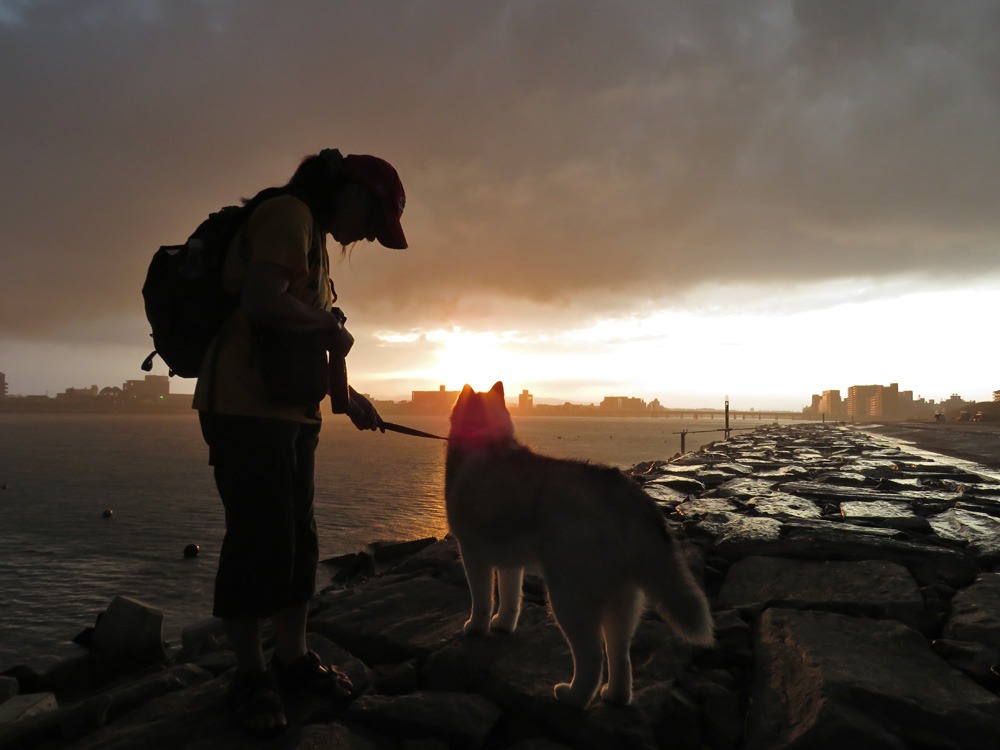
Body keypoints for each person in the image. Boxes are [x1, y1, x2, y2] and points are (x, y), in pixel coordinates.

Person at [192, 148, 406, 734]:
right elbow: (264, 301)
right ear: (352, 193)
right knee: (258, 538)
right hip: (243, 406)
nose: (363, 236)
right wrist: (333, 329)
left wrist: (347, 397)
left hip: (291, 414)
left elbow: (307, 330)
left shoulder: (313, 239)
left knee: (298, 541)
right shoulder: (288, 215)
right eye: (371, 222)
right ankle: (250, 677)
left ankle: (291, 660)